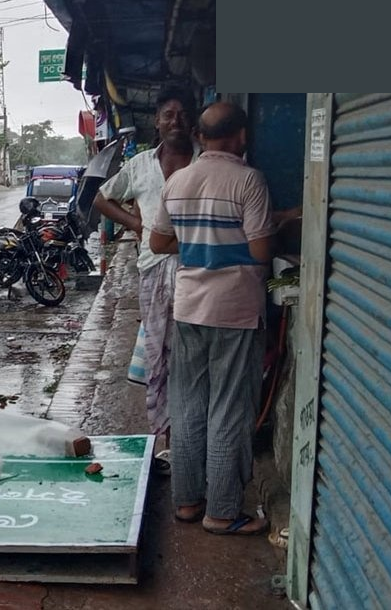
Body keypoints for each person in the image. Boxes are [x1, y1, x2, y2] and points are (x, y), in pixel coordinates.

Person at [148, 101, 274, 536]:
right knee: (230, 408)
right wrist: (272, 225)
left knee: (187, 405)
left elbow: (158, 242)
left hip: (189, 307)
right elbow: (261, 250)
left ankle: (186, 502)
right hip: (235, 308)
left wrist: (198, 241)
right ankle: (221, 512)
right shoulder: (249, 180)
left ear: (200, 137)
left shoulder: (178, 180)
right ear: (241, 136)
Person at [93, 88, 201, 474]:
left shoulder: (206, 162)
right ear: (157, 121)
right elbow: (102, 198)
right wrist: (137, 224)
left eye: (183, 114)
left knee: (194, 358)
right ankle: (168, 441)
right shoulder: (140, 165)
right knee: (161, 358)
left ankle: (192, 438)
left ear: (193, 120)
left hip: (200, 271)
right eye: (168, 114)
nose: (176, 121)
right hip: (154, 269)